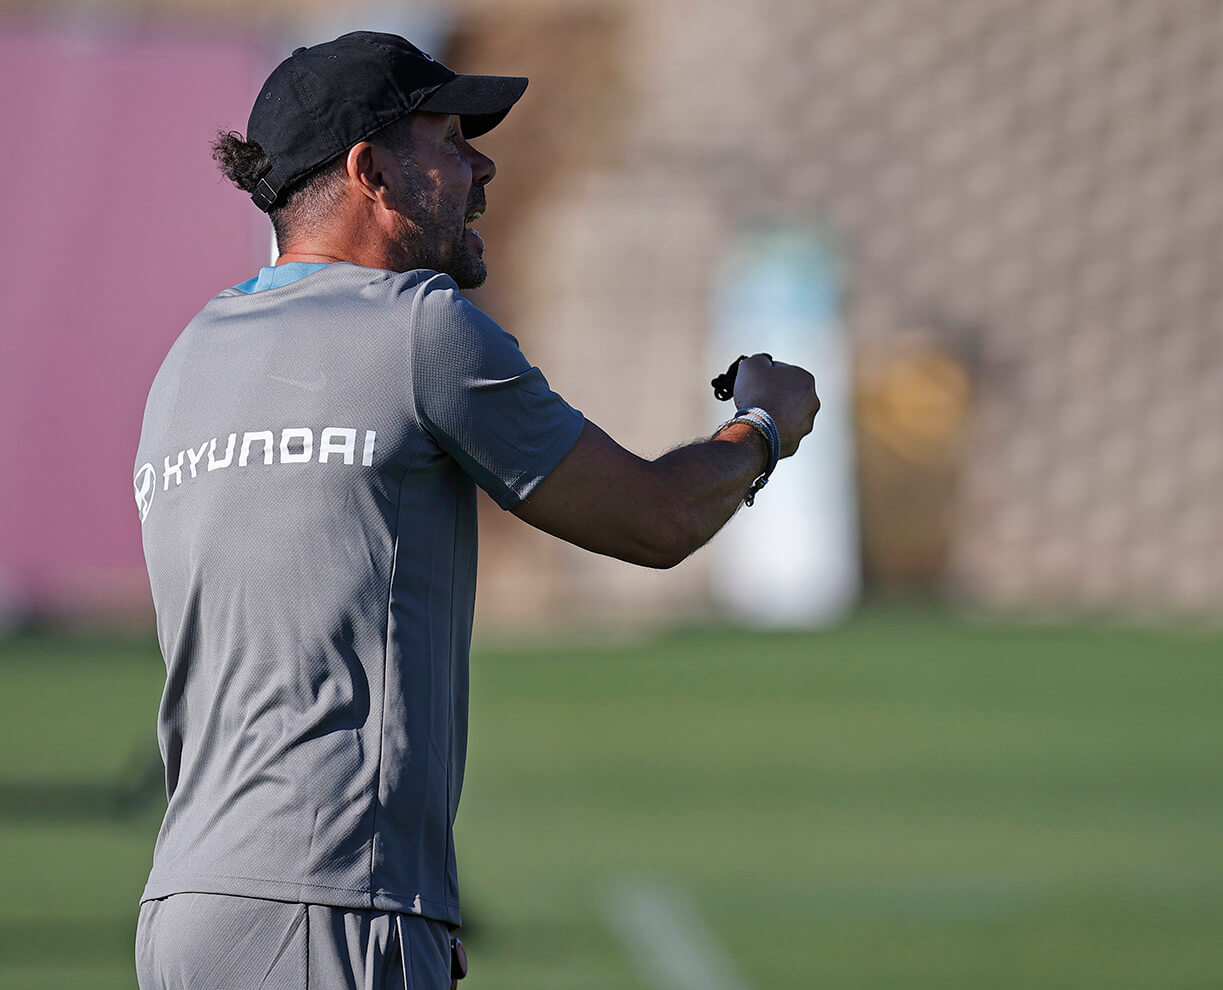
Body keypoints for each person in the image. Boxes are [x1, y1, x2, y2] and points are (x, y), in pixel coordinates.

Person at [131, 30, 818, 990]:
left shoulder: (187, 361)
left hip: (186, 911)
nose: (482, 162)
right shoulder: (416, 325)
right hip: (330, 903)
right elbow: (658, 521)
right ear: (372, 170)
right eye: (450, 138)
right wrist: (765, 423)